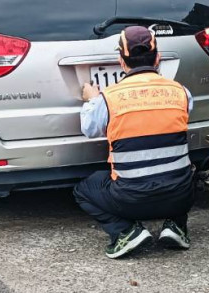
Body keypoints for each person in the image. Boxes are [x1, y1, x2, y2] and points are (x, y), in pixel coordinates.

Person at [73, 25, 196, 259]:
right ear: (158, 58)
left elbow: (89, 129)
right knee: (188, 170)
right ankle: (177, 226)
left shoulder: (108, 99)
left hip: (130, 201)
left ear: (121, 61)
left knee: (84, 189)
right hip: (179, 198)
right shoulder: (181, 92)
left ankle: (125, 232)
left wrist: (91, 99)